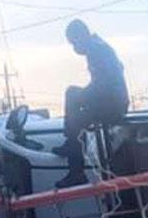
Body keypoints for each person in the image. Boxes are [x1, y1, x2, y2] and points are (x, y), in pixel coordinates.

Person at [52, 19, 129, 188]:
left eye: (74, 42)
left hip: (112, 104)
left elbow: (103, 83)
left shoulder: (96, 49)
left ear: (81, 35)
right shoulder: (99, 46)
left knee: (74, 106)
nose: (74, 47)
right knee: (74, 100)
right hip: (111, 100)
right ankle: (71, 142)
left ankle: (76, 171)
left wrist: (84, 97)